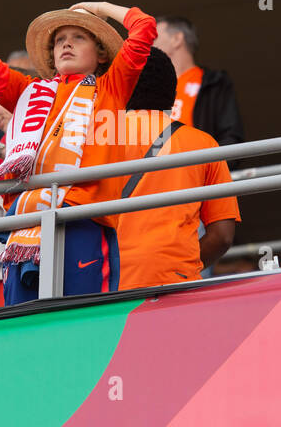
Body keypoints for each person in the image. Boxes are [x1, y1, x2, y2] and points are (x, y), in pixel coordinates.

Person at [0, 0, 156, 304]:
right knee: (23, 326)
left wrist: (98, 9)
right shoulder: (30, 92)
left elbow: (145, 27)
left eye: (78, 37)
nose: (66, 43)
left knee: (79, 322)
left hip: (81, 222)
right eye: (59, 39)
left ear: (101, 54)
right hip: (25, 227)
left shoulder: (111, 88)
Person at [102, 48, 240, 289]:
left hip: (106, 282)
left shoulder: (95, 138)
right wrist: (183, 265)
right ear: (173, 94)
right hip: (175, 281)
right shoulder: (204, 144)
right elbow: (222, 236)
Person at [153, 16, 245, 145]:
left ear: (177, 39)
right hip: (159, 157)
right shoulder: (149, 88)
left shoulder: (214, 82)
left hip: (201, 157)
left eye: (154, 37)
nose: (148, 43)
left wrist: (211, 157)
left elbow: (230, 136)